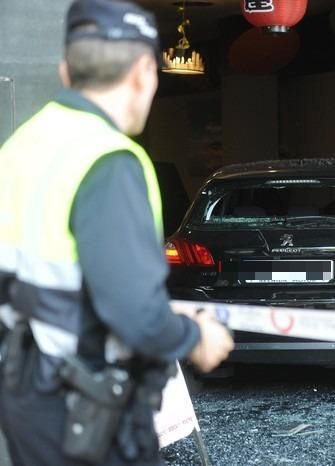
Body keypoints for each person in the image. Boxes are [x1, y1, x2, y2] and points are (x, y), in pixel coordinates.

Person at [0, 1, 234, 465]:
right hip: (89, 411)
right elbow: (135, 314)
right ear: (146, 71)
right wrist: (195, 337)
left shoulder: (20, 145)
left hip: (26, 400)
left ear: (67, 72)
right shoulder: (108, 160)